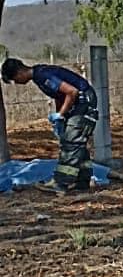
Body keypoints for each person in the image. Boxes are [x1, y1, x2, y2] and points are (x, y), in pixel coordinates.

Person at [1, 57, 98, 193]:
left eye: (14, 79)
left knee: (71, 143)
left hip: (83, 103)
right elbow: (60, 95)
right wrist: (60, 117)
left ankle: (60, 183)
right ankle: (83, 181)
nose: (16, 83)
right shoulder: (39, 75)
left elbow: (72, 92)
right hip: (78, 104)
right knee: (77, 144)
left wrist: (60, 114)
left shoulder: (42, 75)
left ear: (19, 73)